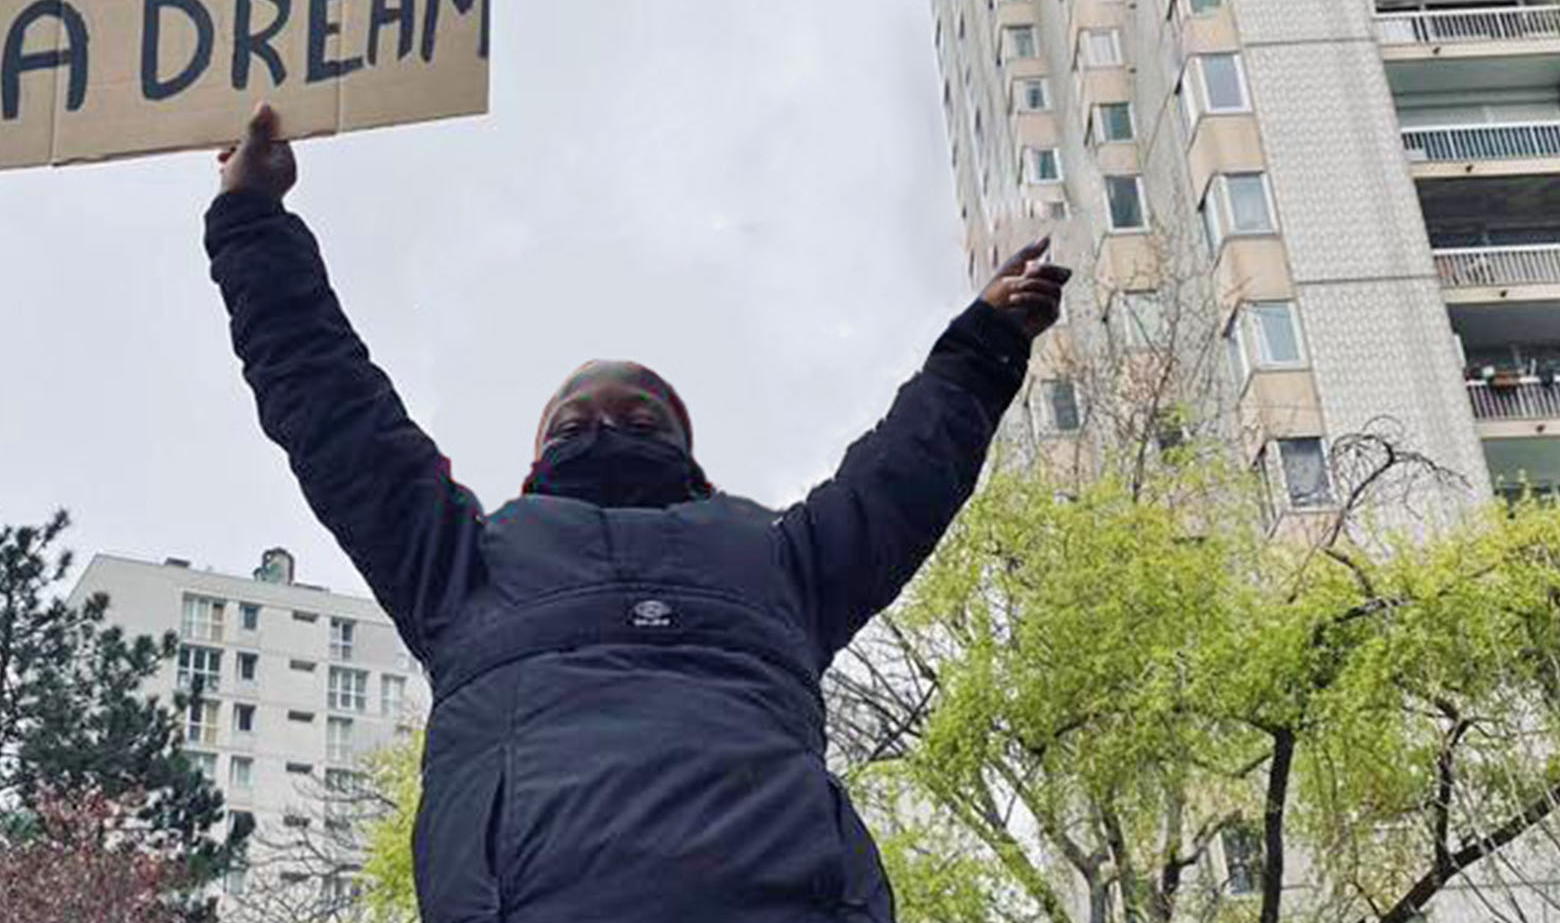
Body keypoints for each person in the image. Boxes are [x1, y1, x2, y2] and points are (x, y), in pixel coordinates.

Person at [206, 104, 1069, 923]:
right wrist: (252, 218)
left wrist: (984, 345)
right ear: (541, 454)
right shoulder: (464, 561)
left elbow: (904, 476)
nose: (605, 421)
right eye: (575, 417)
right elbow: (333, 409)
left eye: (638, 413)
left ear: (685, 448)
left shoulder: (774, 560)